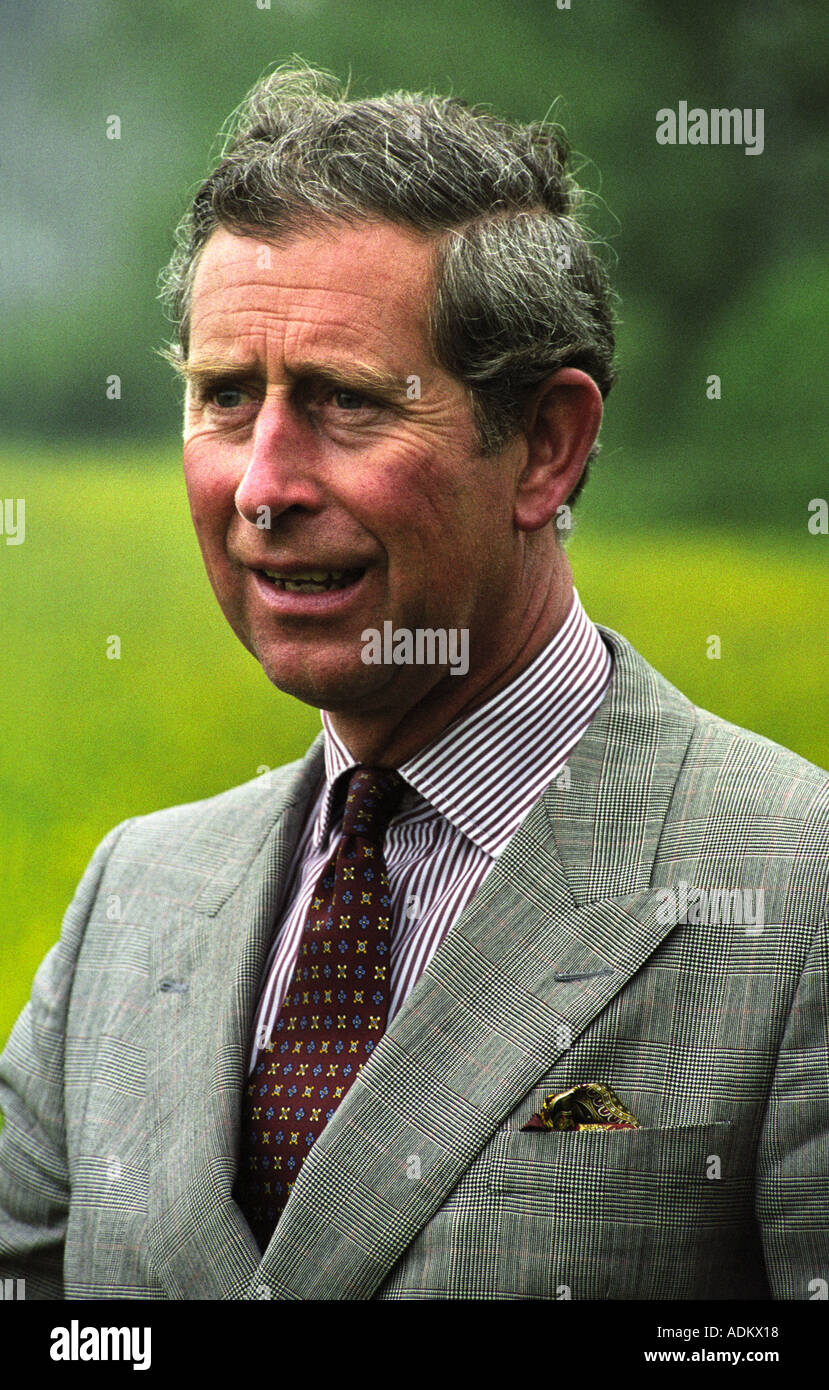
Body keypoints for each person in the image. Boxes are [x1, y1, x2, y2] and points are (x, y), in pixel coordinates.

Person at [1, 64, 826, 1302]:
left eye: (342, 402)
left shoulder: (795, 894)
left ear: (545, 446)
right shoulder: (136, 894)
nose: (263, 484)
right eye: (226, 398)